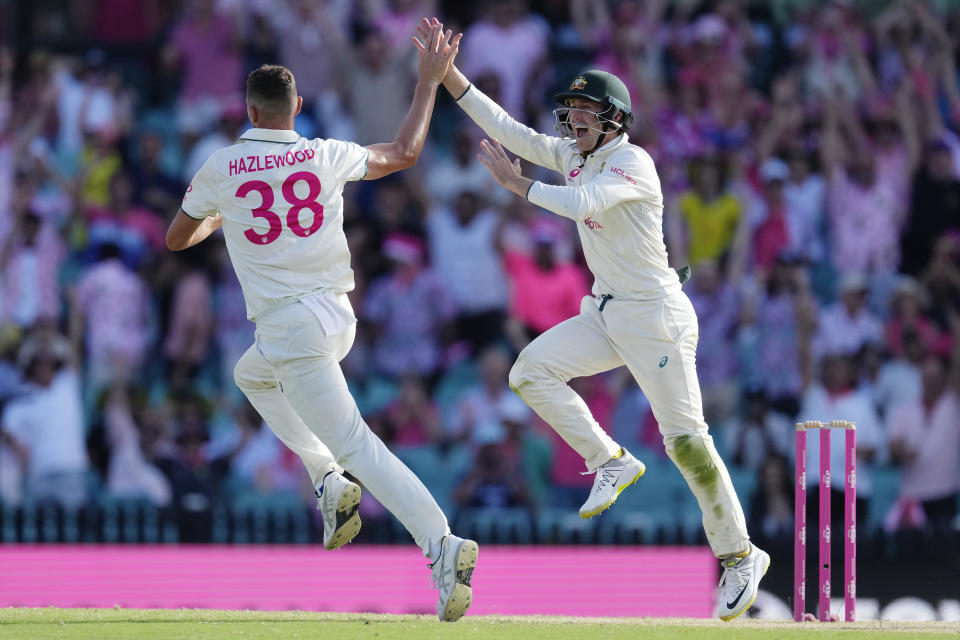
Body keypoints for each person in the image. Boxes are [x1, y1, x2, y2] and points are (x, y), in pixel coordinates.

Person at [422, 17, 766, 621]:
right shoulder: (570, 153)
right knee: (529, 372)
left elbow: (582, 204)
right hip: (607, 312)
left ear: (615, 117)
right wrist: (450, 76)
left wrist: (520, 187)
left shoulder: (633, 163)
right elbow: (510, 129)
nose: (573, 118)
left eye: (586, 109)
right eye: (570, 108)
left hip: (657, 318)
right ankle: (610, 460)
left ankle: (739, 556)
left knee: (687, 445)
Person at [164, 24, 477, 622]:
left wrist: (221, 217)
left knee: (357, 443)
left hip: (290, 327)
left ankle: (442, 544)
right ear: (297, 108)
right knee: (250, 376)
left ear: (248, 110)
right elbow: (404, 153)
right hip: (337, 315)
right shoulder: (324, 151)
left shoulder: (222, 165)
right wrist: (427, 83)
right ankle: (327, 481)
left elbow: (177, 238)